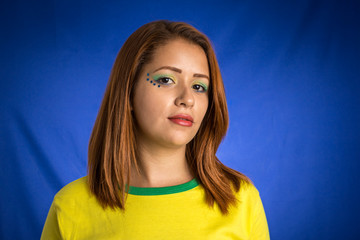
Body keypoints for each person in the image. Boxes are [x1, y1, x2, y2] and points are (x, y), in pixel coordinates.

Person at [41, 19, 270, 239]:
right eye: (166, 80)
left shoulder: (241, 199)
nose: (187, 99)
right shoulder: (70, 205)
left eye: (199, 86)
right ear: (128, 92)